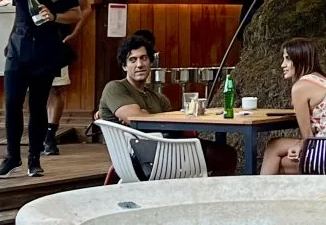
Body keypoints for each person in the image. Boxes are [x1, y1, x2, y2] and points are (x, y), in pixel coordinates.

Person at [0, 0, 81, 179]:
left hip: (46, 53)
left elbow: (76, 14)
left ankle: (34, 159)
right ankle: (11, 157)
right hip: (17, 51)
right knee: (12, 104)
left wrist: (55, 15)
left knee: (38, 107)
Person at [98, 35, 237, 175]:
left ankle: (210, 193)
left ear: (150, 62)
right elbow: (137, 119)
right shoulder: (115, 88)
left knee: (226, 153)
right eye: (132, 60)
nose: (139, 64)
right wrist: (142, 115)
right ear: (124, 66)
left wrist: (146, 114)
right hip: (139, 158)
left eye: (144, 58)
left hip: (168, 149)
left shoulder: (159, 98)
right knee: (222, 155)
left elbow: (173, 126)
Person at [261, 38, 326, 176]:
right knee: (276, 147)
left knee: (277, 155)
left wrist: (300, 145)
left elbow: (307, 136)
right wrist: (298, 145)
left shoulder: (300, 87)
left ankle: (259, 193)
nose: (283, 64)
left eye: (288, 59)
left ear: (300, 59)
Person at [43, 0, 92, 156]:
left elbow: (86, 7)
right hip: (32, 41)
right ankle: (39, 134)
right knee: (35, 90)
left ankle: (50, 136)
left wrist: (75, 33)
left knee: (56, 87)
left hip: (59, 39)